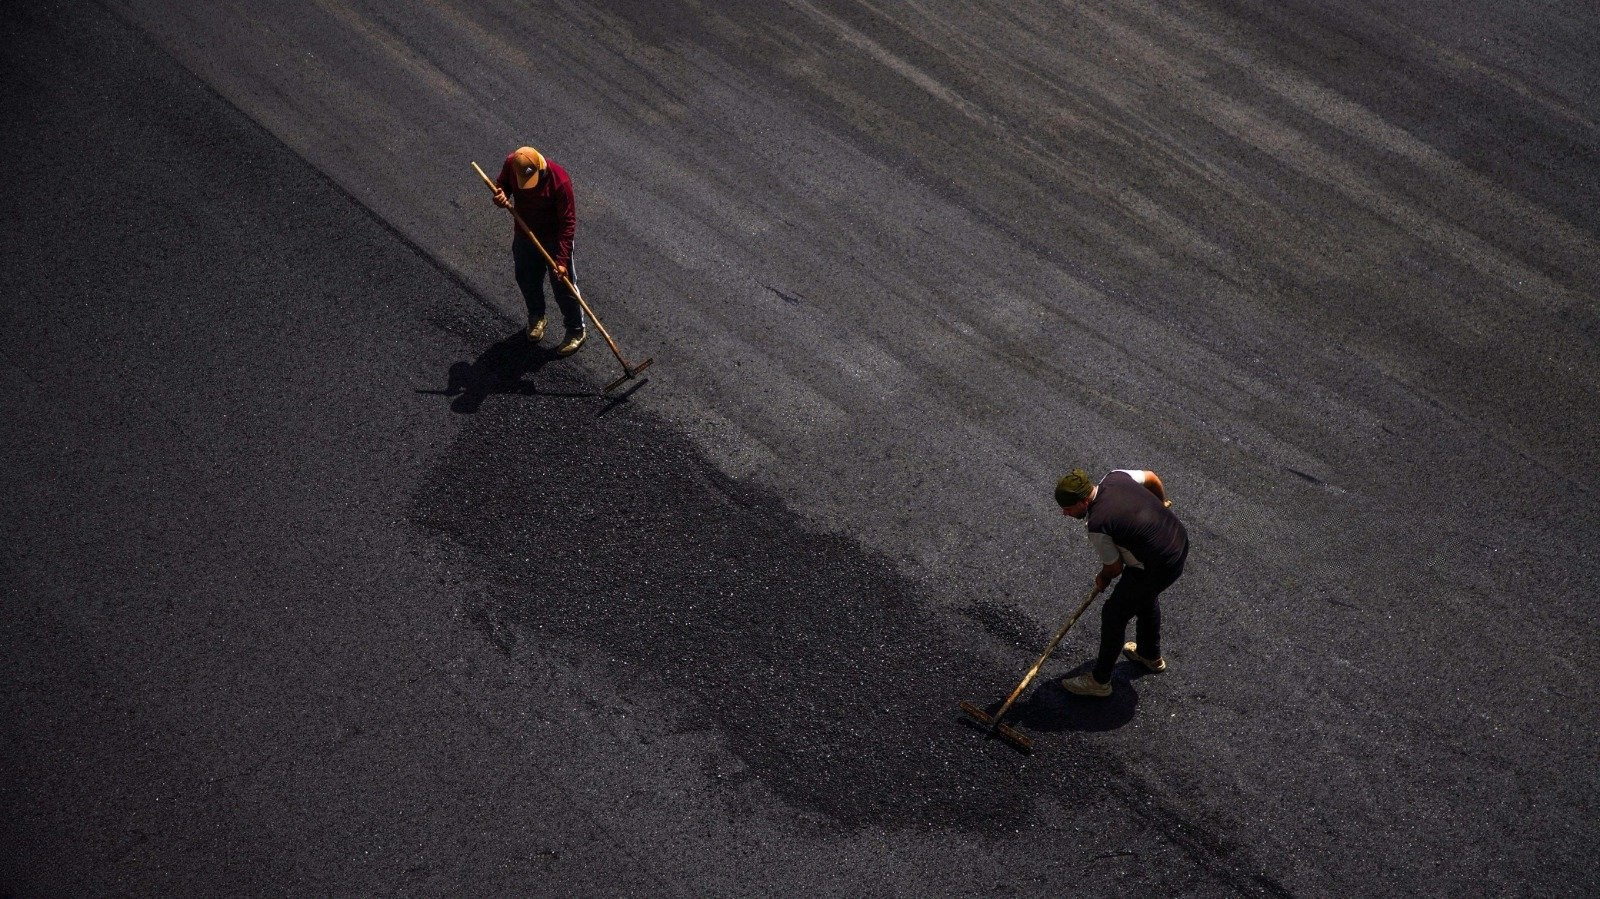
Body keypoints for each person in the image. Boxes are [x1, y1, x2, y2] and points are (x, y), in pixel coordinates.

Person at [1053, 467, 1188, 697]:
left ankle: (1100, 682)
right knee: (1144, 597)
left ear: (1084, 501)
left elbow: (1114, 568)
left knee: (1114, 614)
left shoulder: (1097, 525)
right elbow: (1152, 477)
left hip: (1157, 566)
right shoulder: (1116, 476)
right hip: (1178, 541)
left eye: (1067, 508)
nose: (1064, 514)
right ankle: (1149, 655)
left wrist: (1102, 578)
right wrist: (1161, 503)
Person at [491, 146, 586, 357]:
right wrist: (501, 195)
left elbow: (568, 224)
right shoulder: (513, 163)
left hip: (554, 239)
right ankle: (537, 316)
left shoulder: (560, 181)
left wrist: (561, 260)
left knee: (563, 285)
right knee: (526, 278)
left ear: (541, 168)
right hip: (525, 234)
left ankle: (576, 330)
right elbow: (503, 184)